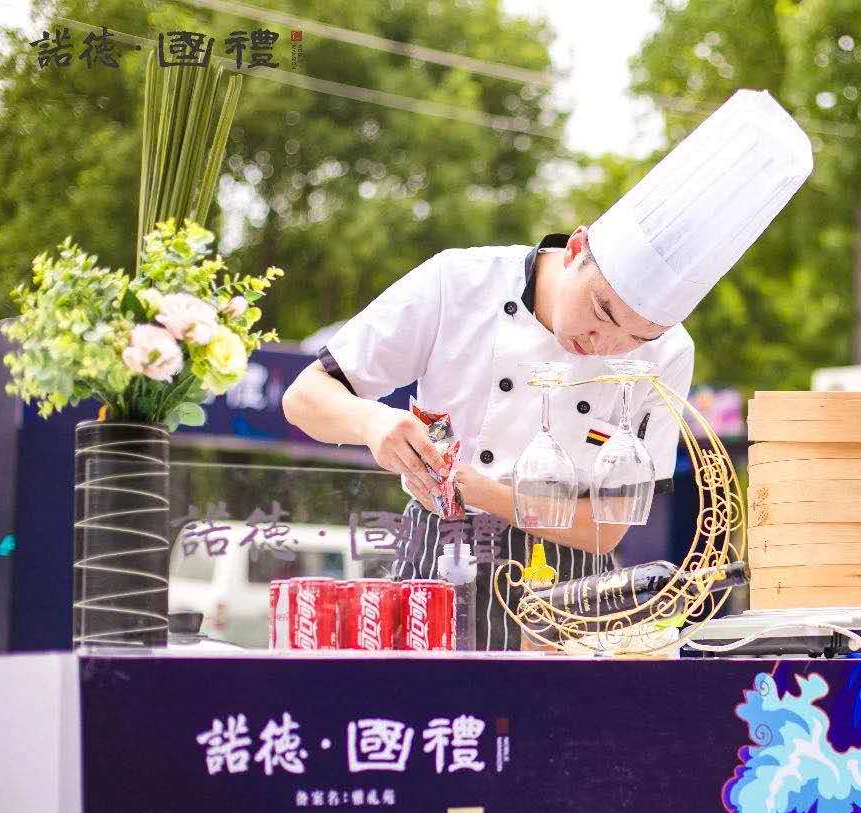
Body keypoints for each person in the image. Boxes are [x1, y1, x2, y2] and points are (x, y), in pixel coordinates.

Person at [282, 89, 812, 650]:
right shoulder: (458, 282)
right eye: (603, 310)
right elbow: (304, 397)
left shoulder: (670, 353)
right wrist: (371, 424)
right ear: (578, 247)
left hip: (569, 598)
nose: (603, 342)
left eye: (636, 336)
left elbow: (606, 530)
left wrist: (479, 489)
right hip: (435, 565)